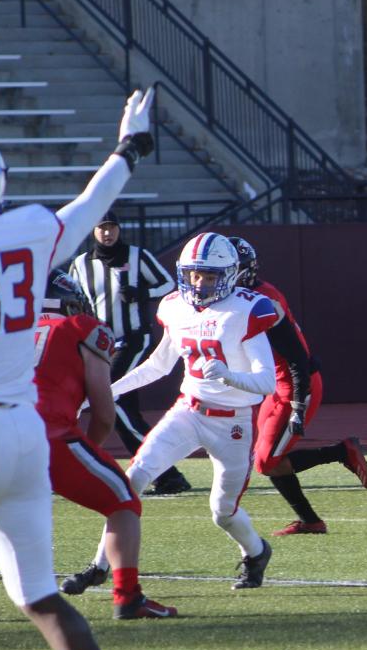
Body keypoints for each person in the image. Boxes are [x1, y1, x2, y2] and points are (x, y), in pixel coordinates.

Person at [0, 88, 154, 650]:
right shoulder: (27, 230)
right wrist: (130, 146)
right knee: (37, 593)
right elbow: (90, 207)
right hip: (23, 434)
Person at [101, 232, 280, 590]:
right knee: (133, 477)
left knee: (222, 512)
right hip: (189, 410)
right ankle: (98, 566)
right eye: (195, 274)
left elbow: (267, 383)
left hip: (233, 424)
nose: (200, 283)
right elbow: (156, 366)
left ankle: (256, 552)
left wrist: (229, 375)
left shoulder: (246, 309)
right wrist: (103, 393)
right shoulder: (175, 307)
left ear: (228, 275)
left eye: (210, 275)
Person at [40, 273, 175, 619]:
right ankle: (128, 596)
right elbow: (103, 414)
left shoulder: (1, 332)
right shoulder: (80, 328)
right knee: (123, 502)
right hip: (47, 436)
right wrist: (85, 454)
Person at [226, 237, 367, 537]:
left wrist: (297, 405)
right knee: (264, 458)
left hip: (295, 384)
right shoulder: (241, 298)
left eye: (225, 271)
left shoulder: (263, 301)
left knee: (266, 462)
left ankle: (340, 452)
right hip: (276, 386)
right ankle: (311, 522)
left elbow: (297, 359)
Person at [68, 211, 190, 496]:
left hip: (134, 339)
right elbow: (74, 298)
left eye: (111, 227)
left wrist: (141, 293)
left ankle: (165, 472)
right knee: (122, 408)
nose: (107, 233)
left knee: (111, 396)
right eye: (101, 228)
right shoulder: (80, 264)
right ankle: (166, 474)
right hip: (101, 344)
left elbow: (169, 284)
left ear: (119, 230)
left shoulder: (137, 256)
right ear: (93, 231)